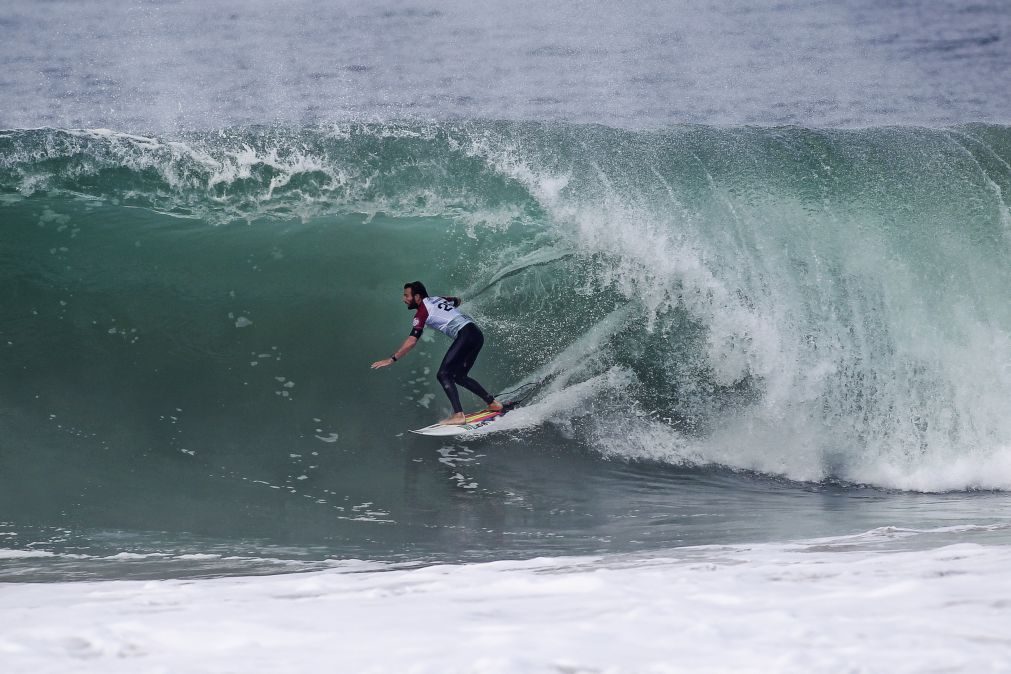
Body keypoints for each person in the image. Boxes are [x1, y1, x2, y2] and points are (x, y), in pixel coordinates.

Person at [371, 281, 503, 425]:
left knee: (443, 374)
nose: (404, 299)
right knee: (459, 376)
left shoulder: (421, 312)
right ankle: (493, 403)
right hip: (476, 334)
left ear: (417, 297)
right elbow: (457, 300)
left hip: (464, 335)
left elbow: (412, 341)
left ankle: (459, 415)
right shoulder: (437, 299)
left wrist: (392, 359)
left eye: (406, 296)